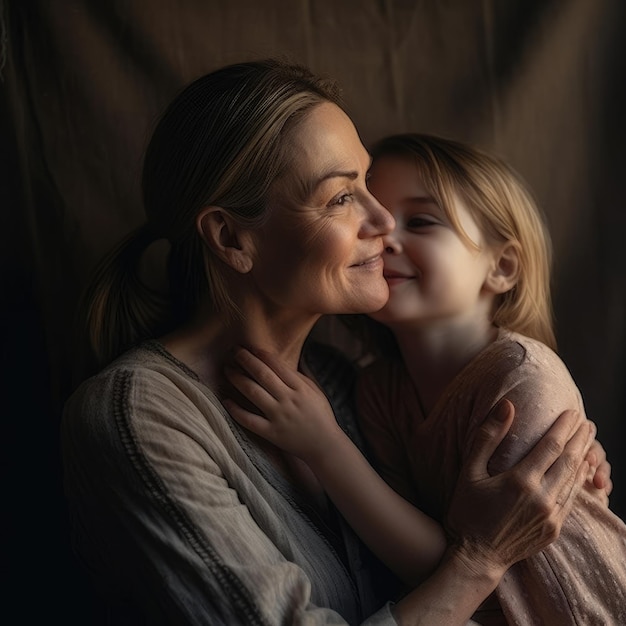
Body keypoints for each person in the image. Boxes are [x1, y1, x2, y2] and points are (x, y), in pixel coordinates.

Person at [61, 61, 609, 626]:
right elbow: (467, 568)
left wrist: (563, 474)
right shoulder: (139, 417)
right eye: (340, 198)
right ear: (231, 238)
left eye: (366, 183)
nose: (382, 221)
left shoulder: (350, 385)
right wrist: (481, 558)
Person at [224, 133, 624, 624]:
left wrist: (324, 447)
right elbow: (428, 560)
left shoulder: (520, 380)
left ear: (501, 267)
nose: (383, 237)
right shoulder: (380, 393)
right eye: (371, 216)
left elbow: (481, 564)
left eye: (420, 221)